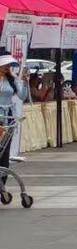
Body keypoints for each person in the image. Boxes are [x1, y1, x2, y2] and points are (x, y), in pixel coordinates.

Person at [0, 56, 26, 186]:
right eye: (4, 65)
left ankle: (2, 183)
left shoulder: (11, 80)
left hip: (8, 117)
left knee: (4, 151)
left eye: (8, 65)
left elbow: (22, 96)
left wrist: (24, 82)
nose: (6, 68)